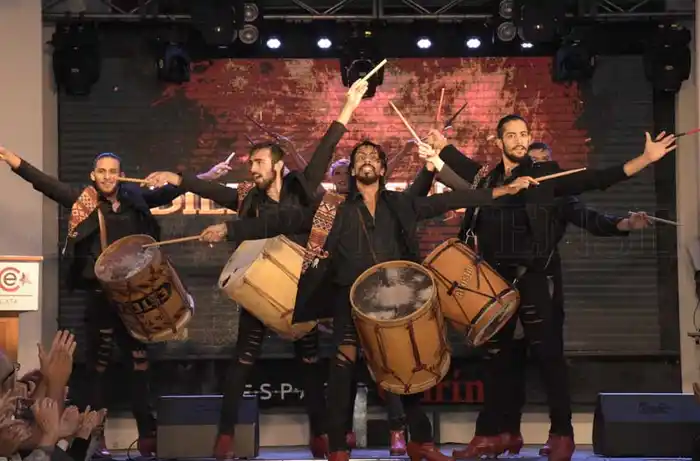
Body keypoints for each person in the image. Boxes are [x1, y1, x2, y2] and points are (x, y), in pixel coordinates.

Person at [197, 130, 629, 461]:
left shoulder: (401, 204)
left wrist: (502, 191)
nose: (366, 161)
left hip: (393, 301)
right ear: (353, 172)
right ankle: (338, 449)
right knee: (342, 371)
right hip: (348, 300)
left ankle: (420, 442)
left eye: (373, 157)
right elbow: (278, 222)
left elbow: (457, 199)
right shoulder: (333, 208)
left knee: (401, 370)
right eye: (360, 158)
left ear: (383, 169)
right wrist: (230, 229)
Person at [419, 116, 676, 461]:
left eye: (524, 134)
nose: (519, 140)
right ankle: (495, 433)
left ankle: (562, 435)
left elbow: (596, 179)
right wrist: (441, 145)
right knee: (499, 361)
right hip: (494, 283)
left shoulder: (545, 176)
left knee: (549, 358)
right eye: (511, 135)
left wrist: (644, 160)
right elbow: (459, 161)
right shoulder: (488, 178)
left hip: (535, 278)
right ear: (499, 142)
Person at [145, 79, 370, 460]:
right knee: (242, 362)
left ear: (278, 165)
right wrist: (176, 178)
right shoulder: (247, 199)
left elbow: (326, 147)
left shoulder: (302, 189)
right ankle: (225, 437)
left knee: (310, 366)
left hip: (301, 289)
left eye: (259, 162)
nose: (252, 169)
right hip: (259, 289)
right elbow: (210, 191)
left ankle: (320, 435)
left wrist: (348, 106)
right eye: (251, 163)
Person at [0, 147, 188, 457]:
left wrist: (203, 177)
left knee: (139, 363)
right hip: (100, 295)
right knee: (98, 368)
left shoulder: (134, 199)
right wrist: (14, 162)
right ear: (93, 175)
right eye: (102, 171)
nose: (107, 176)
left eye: (113, 171)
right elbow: (46, 183)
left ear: (121, 175)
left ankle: (148, 435)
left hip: (134, 297)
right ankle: (93, 437)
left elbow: (170, 192)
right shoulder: (83, 201)